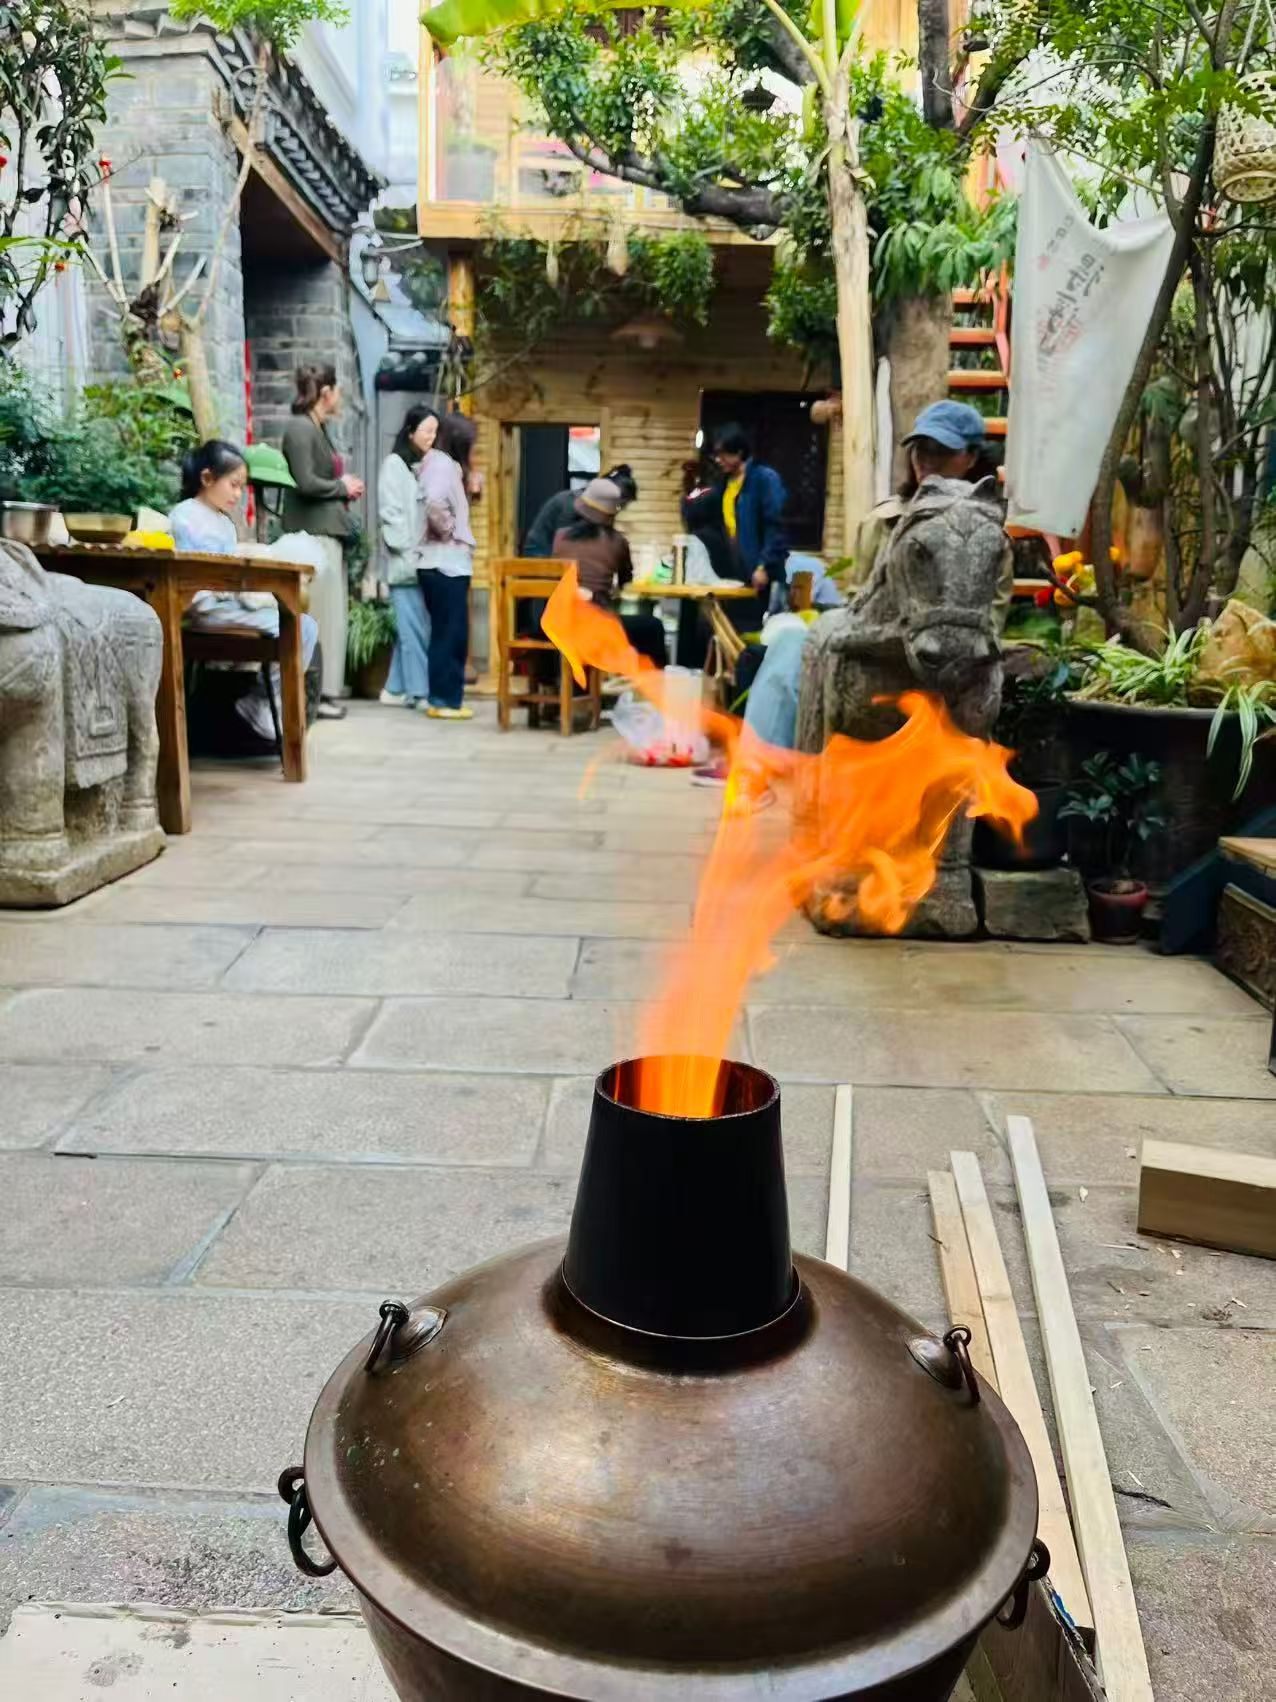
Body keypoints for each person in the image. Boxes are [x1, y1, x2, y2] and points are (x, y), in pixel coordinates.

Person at [701, 401, 1010, 807]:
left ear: (971, 457)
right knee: (792, 642)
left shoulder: (986, 532)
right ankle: (760, 772)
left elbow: (990, 619)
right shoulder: (884, 521)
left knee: (813, 644)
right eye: (921, 449)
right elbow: (861, 601)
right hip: (874, 649)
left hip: (940, 661)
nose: (926, 460)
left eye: (942, 450)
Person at [169, 440, 320, 751]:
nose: (238, 494)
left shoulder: (225, 524)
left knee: (304, 625)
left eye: (242, 487)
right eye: (233, 485)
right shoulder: (183, 516)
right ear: (207, 478)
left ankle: (265, 698)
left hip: (229, 605)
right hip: (202, 608)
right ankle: (262, 702)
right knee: (297, 626)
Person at [281, 363, 365, 716]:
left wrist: (342, 489)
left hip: (328, 530)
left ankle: (325, 691)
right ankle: (316, 693)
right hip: (313, 533)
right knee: (320, 615)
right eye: (337, 389)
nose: (340, 396)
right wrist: (341, 486)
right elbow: (304, 481)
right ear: (326, 392)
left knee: (332, 616)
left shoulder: (317, 427)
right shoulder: (300, 428)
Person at [550, 476, 666, 670]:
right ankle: (652, 682)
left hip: (560, 622)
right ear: (612, 513)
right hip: (595, 625)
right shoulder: (618, 541)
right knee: (653, 626)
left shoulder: (560, 537)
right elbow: (625, 581)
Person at [418, 411, 478, 721]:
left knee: (445, 633)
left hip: (439, 563)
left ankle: (442, 699)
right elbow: (434, 502)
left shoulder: (437, 462)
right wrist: (452, 531)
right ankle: (445, 701)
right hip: (446, 563)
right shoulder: (443, 464)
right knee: (451, 634)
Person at [378, 404, 438, 709]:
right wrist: (408, 548)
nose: (431, 437)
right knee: (414, 631)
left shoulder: (420, 466)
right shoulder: (394, 465)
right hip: (407, 562)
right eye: (427, 430)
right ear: (411, 432)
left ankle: (394, 688)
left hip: (421, 561)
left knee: (413, 628)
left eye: (434, 432)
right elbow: (391, 514)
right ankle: (419, 692)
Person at [711, 424, 788, 606]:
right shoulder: (722, 484)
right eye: (716, 455)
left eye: (723, 454)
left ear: (739, 452)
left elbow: (776, 527)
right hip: (733, 572)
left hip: (760, 575)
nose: (718, 460)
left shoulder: (764, 479)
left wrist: (764, 566)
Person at [524, 463, 637, 558]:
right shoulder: (571, 504)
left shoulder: (600, 509)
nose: (621, 508)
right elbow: (568, 548)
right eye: (622, 503)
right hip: (541, 555)